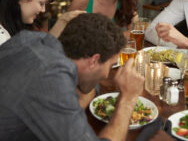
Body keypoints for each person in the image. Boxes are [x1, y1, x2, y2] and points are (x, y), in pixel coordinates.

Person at [0, 13, 144, 141]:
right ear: (94, 60)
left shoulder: (34, 40)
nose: (107, 74)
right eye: (111, 65)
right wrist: (128, 98)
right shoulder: (50, 78)